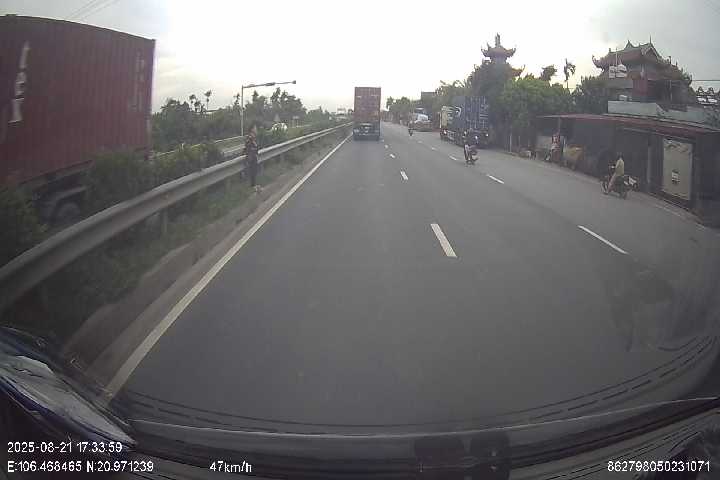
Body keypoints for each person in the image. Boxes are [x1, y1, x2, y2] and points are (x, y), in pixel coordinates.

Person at [244, 124, 260, 192]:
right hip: (251, 158)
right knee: (253, 172)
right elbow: (248, 148)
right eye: (255, 128)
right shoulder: (249, 138)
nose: (256, 129)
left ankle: (254, 186)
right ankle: (253, 186)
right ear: (252, 129)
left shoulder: (254, 137)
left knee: (255, 172)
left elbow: (256, 147)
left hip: (254, 157)